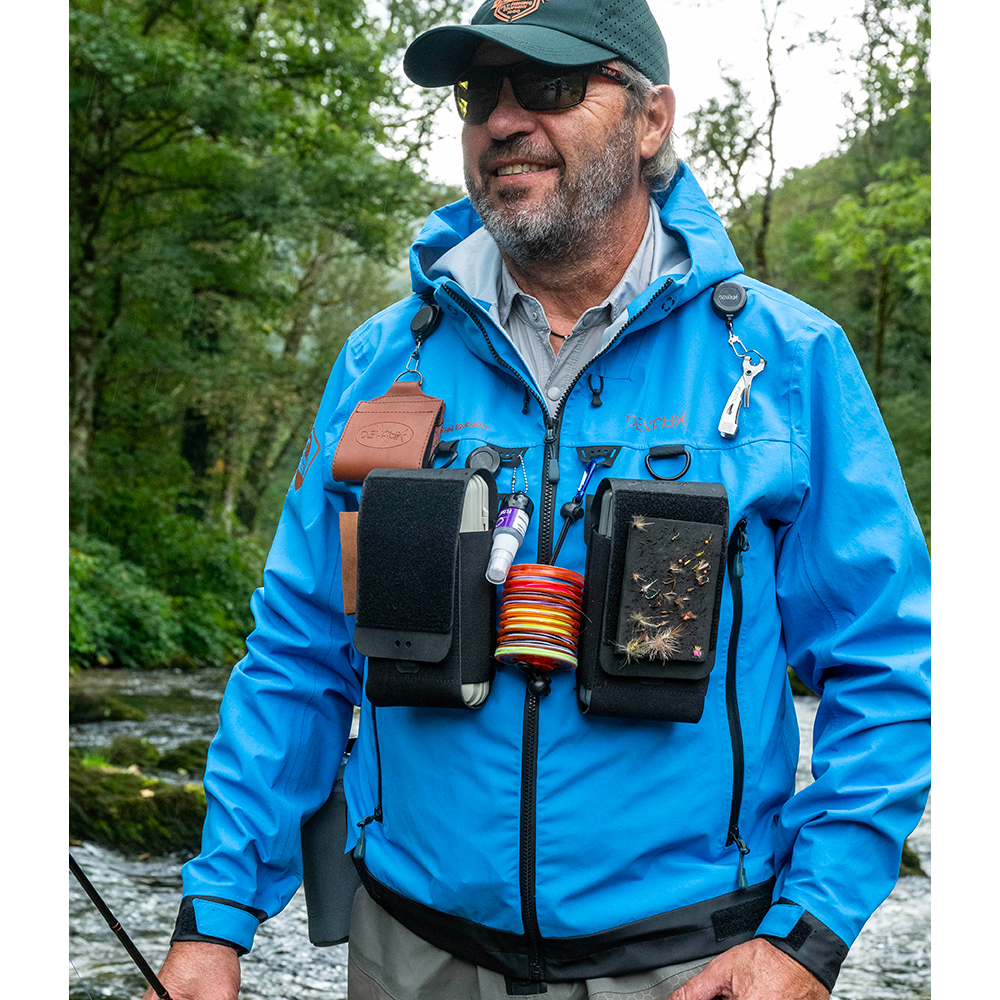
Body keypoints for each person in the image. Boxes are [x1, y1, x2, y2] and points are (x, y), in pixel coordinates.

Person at [144, 1, 931, 998]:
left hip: (688, 962)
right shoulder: (383, 361)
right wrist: (214, 918)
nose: (504, 120)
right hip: (410, 952)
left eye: (550, 86)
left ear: (650, 120)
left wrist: (808, 934)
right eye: (480, 93)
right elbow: (300, 650)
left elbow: (889, 663)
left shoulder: (786, 360)